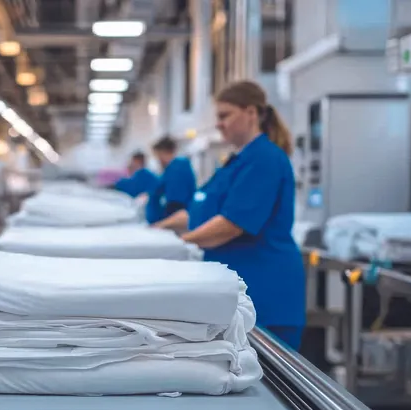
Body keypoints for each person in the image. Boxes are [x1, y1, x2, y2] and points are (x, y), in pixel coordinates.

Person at [155, 80, 305, 351]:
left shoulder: (264, 159)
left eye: (225, 116)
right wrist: (158, 230)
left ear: (251, 113)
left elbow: (230, 225)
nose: (219, 124)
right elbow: (200, 212)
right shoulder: (235, 162)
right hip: (240, 291)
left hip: (264, 293)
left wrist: (178, 245)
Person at [149, 136, 197, 223]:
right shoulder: (173, 168)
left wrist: (162, 223)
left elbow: (176, 205)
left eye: (158, 155)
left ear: (164, 152)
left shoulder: (177, 168)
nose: (158, 160)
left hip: (178, 220)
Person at [114, 151, 162, 224]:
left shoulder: (143, 175)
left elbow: (129, 187)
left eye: (131, 161)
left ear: (137, 161)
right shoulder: (148, 175)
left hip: (149, 215)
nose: (129, 164)